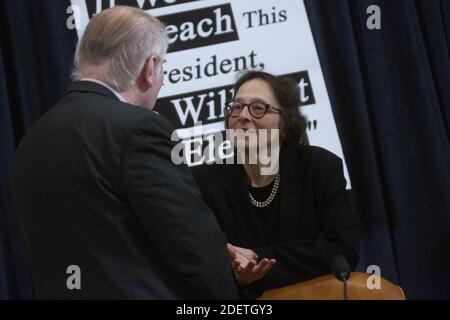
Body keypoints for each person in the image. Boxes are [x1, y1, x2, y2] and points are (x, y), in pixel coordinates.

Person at [11, 6, 237, 299]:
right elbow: (196, 249)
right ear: (150, 67)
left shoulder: (32, 140)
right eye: (163, 67)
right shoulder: (140, 129)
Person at [191, 71, 359, 298]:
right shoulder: (205, 182)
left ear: (285, 122)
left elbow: (341, 249)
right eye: (236, 107)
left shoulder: (319, 168)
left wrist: (255, 257)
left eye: (258, 108)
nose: (243, 116)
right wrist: (237, 274)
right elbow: (200, 259)